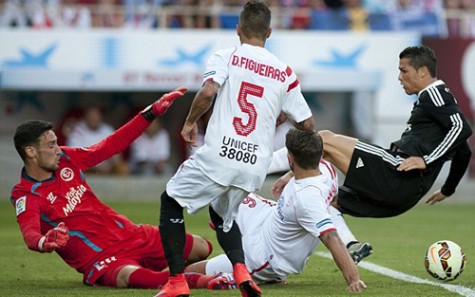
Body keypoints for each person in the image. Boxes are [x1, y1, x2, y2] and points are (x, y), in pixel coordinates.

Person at [156, 1, 315, 296]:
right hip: (255, 165)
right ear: (269, 32)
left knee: (171, 200)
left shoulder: (227, 55)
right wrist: (285, 131)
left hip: (220, 155)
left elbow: (207, 92)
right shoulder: (285, 73)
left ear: (238, 29)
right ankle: (242, 272)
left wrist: (190, 122)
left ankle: (176, 281)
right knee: (223, 216)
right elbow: (307, 124)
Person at [10, 87, 235, 291]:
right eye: (51, 146)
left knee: (201, 247)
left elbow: (111, 144)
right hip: (101, 258)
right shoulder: (26, 195)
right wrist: (44, 242)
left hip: (130, 234)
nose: (58, 149)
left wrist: (151, 113)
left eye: (56, 143)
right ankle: (203, 281)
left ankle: (173, 275)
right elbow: (30, 234)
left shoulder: (67, 158)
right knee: (132, 277)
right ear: (31, 152)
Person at [274, 45, 472, 218]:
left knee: (324, 139)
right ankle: (350, 245)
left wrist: (426, 160)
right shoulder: (436, 104)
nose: (400, 77)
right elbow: (464, 151)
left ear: (422, 72)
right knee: (329, 202)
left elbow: (462, 127)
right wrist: (448, 189)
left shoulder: (434, 93)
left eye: (404, 71)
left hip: (396, 174)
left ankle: (264, 165)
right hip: (403, 194)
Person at [185, 131, 369, 293]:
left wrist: (353, 279)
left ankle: (244, 275)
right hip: (268, 216)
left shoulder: (306, 199)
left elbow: (332, 239)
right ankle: (226, 227)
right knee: (224, 193)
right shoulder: (327, 169)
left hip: (263, 256)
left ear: (290, 158)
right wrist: (289, 175)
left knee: (188, 272)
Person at [67, 105, 127, 175]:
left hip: (107, 168)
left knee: (123, 168)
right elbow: (75, 155)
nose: (93, 118)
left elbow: (116, 153)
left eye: (96, 115)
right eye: (91, 115)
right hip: (85, 169)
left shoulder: (107, 129)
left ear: (101, 116)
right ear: (85, 116)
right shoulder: (77, 130)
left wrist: (114, 164)